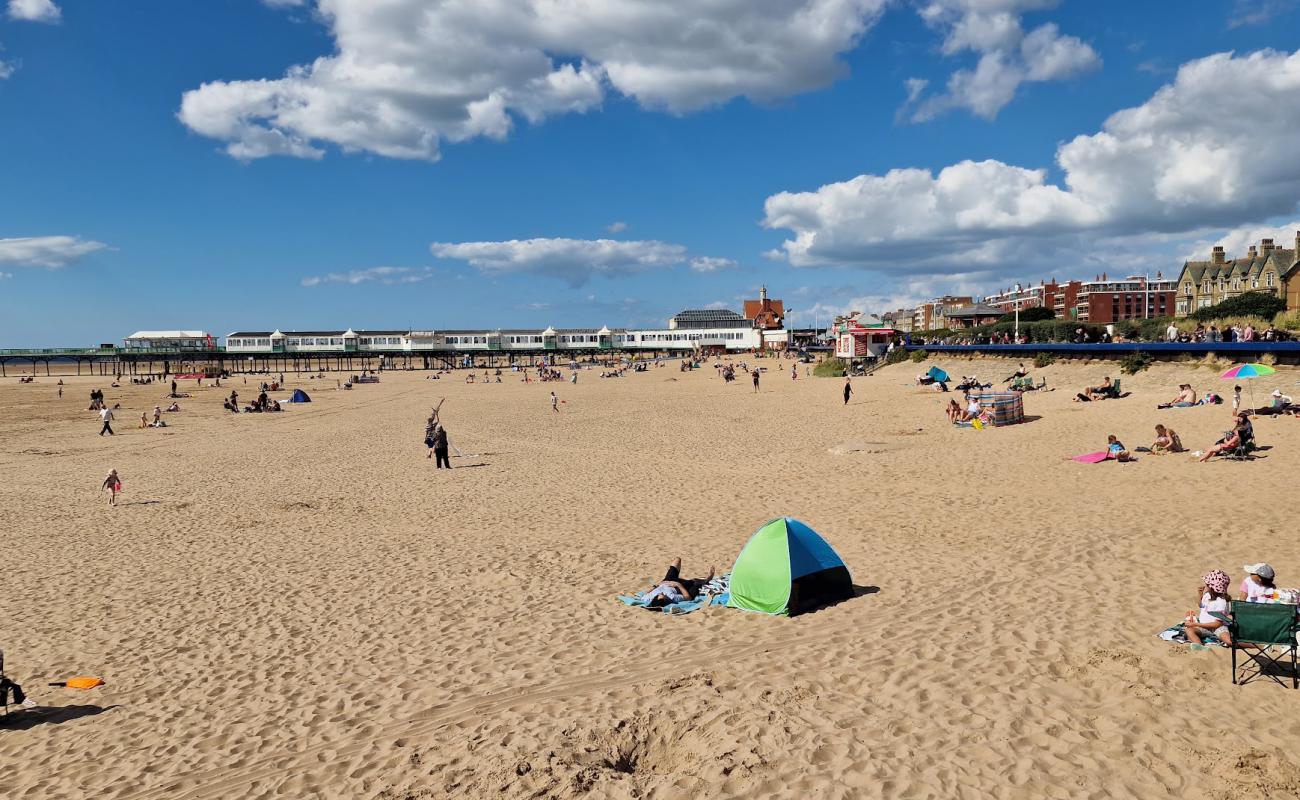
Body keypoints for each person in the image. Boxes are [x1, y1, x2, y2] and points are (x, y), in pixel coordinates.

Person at [1185, 570, 1233, 648]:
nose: (1205, 585)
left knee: (1229, 641)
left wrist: (1195, 624)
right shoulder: (1207, 595)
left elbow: (1217, 624)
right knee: (1189, 630)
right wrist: (1200, 594)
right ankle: (1199, 647)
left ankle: (1253, 645)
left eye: (1207, 584)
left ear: (1212, 587)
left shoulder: (1221, 602)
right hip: (1204, 626)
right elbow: (1201, 605)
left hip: (1218, 628)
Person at [641, 558, 715, 608]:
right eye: (664, 596)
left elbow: (646, 594)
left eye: (660, 595)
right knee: (694, 581)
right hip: (677, 586)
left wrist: (656, 586)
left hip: (667, 580)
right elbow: (688, 598)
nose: (663, 594)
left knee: (677, 560)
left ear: (654, 598)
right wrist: (678, 585)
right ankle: (707, 580)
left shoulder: (647, 599)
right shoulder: (672, 597)